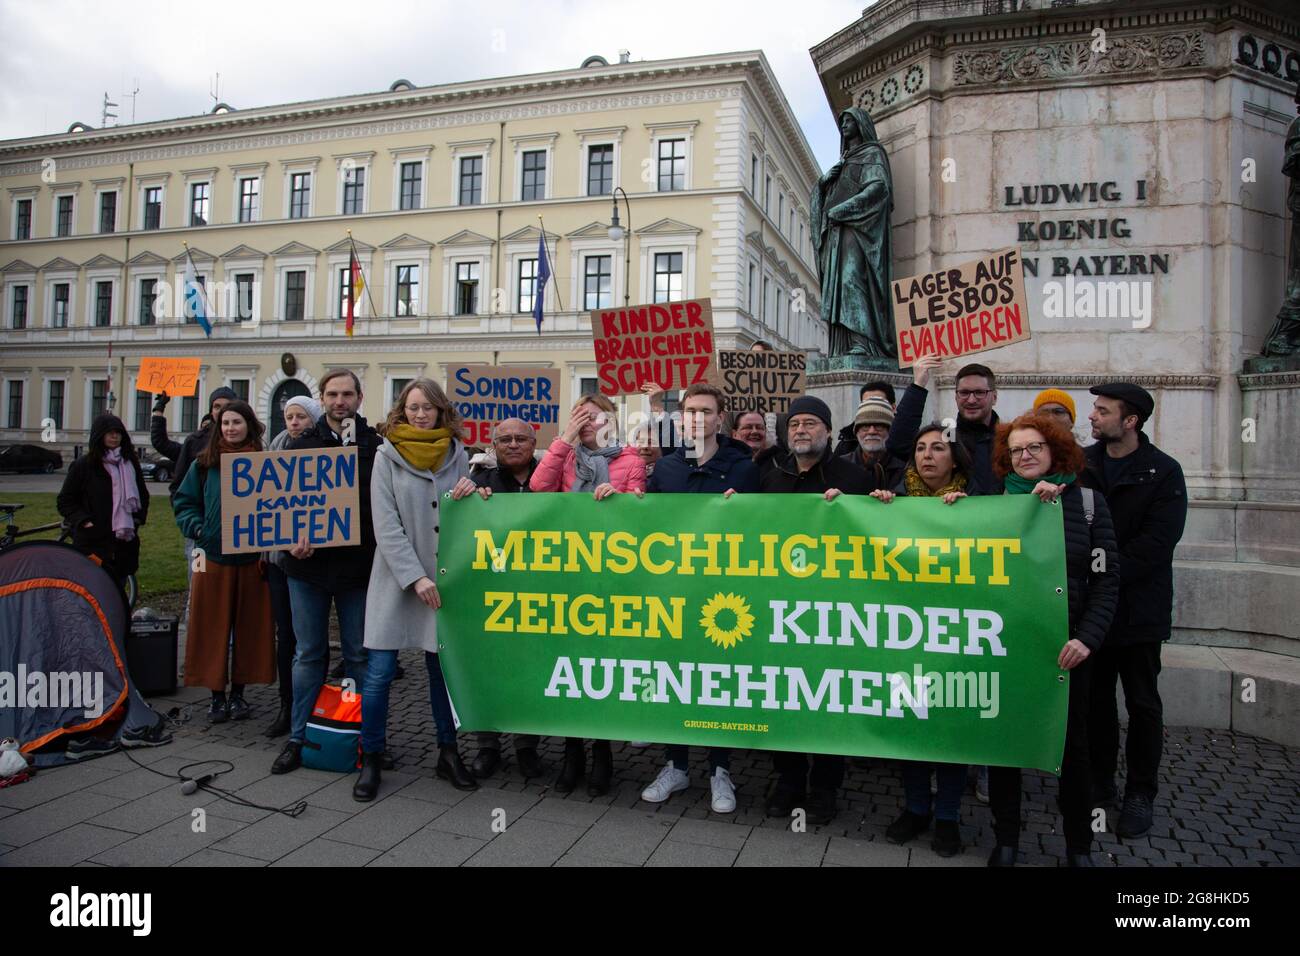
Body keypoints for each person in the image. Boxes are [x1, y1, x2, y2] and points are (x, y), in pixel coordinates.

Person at [985, 413, 1120, 866]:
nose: (1024, 456)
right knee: (1005, 746)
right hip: (1005, 649)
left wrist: (1087, 639)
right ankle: (1006, 841)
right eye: (1016, 450)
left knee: (1072, 751)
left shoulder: (1089, 506)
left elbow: (1106, 582)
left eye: (1034, 448)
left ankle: (1078, 847)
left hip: (1067, 653)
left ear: (1055, 451)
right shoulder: (993, 506)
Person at [635, 382, 759, 814]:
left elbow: (768, 530)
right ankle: (677, 764)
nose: (697, 418)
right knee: (675, 678)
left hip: (726, 599)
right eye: (690, 411)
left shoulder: (744, 469)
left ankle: (720, 769)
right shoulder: (666, 470)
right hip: (675, 596)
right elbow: (644, 526)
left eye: (706, 410)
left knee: (719, 681)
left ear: (720, 417)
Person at [353, 379, 478, 801]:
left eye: (428, 407)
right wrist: (415, 576)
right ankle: (370, 756)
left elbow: (465, 514)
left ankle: (447, 752)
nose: (420, 414)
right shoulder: (387, 455)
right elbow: (384, 524)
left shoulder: (457, 453)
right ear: (401, 411)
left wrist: (474, 493)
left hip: (442, 581)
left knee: (441, 675)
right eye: (413, 407)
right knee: (379, 674)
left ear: (441, 411)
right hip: (397, 580)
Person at [755, 395, 870, 825]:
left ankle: (824, 787)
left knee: (828, 702)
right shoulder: (769, 475)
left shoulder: (853, 477)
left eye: (810, 423)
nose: (801, 430)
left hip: (833, 614)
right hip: (778, 609)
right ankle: (787, 780)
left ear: (826, 429)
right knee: (783, 696)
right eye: (794, 425)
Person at [867, 421, 979, 855]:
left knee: (950, 729)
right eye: (920, 448)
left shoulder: (977, 503)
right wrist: (877, 510)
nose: (928, 455)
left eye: (938, 448)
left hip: (954, 634)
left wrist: (971, 514)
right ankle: (916, 808)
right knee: (910, 726)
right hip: (905, 635)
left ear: (955, 458)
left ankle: (947, 815)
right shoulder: (895, 499)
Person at [1081, 383, 1187, 839]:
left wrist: (1102, 569)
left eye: (1102, 411)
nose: (1093, 417)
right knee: (1097, 703)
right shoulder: (1082, 464)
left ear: (1131, 421)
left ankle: (1141, 792)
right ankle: (1100, 785)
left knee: (1143, 704)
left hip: (1139, 610)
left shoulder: (1163, 471)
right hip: (1092, 611)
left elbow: (1159, 542)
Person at [530, 393, 646, 795]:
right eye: (582, 417)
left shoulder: (631, 459)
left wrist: (621, 502)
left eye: (597, 417)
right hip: (569, 574)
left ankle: (602, 750)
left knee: (602, 666)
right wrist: (563, 438)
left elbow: (641, 513)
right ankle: (571, 751)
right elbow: (538, 487)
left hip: (612, 578)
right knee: (569, 663)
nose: (590, 424)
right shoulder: (565, 456)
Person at [272, 369, 382, 775]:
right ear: (322, 397)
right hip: (308, 570)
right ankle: (299, 737)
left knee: (358, 656)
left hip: (358, 570)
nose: (340, 401)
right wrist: (289, 539)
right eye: (333, 394)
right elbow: (279, 508)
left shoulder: (375, 446)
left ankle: (364, 740)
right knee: (308, 654)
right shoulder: (301, 446)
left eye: (347, 394)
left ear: (359, 397)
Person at [172, 401, 276, 722]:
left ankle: (239, 695)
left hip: (250, 561)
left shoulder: (265, 464)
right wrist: (198, 527)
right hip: (212, 557)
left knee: (250, 629)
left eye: (237, 422)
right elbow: (185, 502)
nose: (231, 428)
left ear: (249, 425)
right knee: (210, 627)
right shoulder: (204, 465)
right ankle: (216, 695)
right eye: (226, 423)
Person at [468, 418, 545, 781]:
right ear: (493, 445)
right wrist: (464, 499)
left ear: (533, 443)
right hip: (493, 597)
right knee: (491, 668)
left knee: (530, 668)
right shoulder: (481, 484)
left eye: (520, 439)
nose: (513, 445)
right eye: (505, 440)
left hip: (537, 593)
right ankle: (487, 745)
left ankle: (527, 745)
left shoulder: (550, 481)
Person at [262, 395, 324, 738]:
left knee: (309, 641)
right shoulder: (273, 452)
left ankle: (317, 709)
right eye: (290, 416)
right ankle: (288, 705)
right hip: (278, 559)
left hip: (311, 560)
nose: (295, 422)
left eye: (301, 416)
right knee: (285, 635)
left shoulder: (323, 451)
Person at [58, 413, 150, 604]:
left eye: (118, 432)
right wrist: (84, 521)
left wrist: (137, 519)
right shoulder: (84, 465)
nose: (115, 437)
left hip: (123, 543)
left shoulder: (130, 463)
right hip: (93, 542)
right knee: (90, 596)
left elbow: (143, 494)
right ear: (99, 435)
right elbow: (66, 500)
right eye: (109, 433)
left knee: (116, 595)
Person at [888, 356, 1002, 493]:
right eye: (964, 393)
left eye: (979, 393)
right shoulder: (948, 436)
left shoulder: (1009, 439)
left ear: (994, 397)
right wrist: (918, 385)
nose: (971, 400)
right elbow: (898, 444)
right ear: (956, 397)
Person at [838, 396, 906, 491]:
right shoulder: (839, 467)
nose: (871, 431)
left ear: (891, 432)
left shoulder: (904, 469)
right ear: (856, 433)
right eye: (865, 426)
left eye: (879, 426)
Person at [833, 380, 897, 456]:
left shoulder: (906, 442)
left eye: (878, 402)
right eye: (866, 403)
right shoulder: (847, 442)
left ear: (893, 408)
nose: (871, 431)